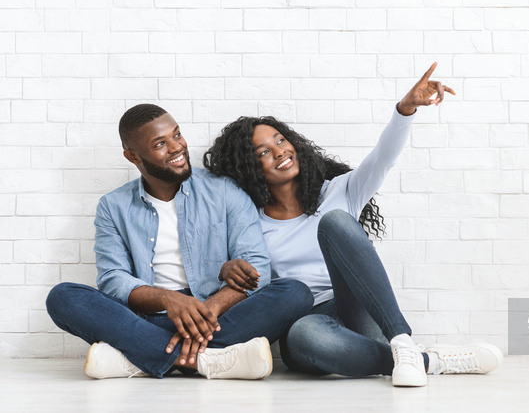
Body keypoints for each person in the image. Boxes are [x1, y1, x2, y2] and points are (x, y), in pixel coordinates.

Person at [204, 63, 503, 387]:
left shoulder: (340, 190)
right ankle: (430, 361)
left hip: (360, 309)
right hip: (306, 321)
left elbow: (383, 158)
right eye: (264, 151)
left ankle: (402, 341)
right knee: (304, 335)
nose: (280, 152)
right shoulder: (251, 224)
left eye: (280, 140)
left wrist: (406, 109)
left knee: (334, 223)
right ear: (251, 168)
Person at [45, 104, 313, 380]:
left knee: (295, 293)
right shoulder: (113, 206)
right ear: (132, 156)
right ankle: (210, 360)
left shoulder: (223, 189)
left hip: (217, 318)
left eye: (177, 135)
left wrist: (209, 309)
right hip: (145, 318)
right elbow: (113, 279)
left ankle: (141, 358)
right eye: (161, 143)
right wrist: (167, 298)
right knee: (63, 297)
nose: (176, 147)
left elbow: (257, 265)